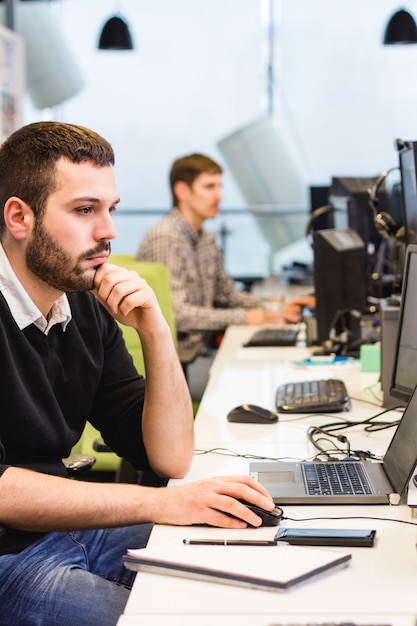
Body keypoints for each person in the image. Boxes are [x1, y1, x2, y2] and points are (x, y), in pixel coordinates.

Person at [0, 122, 275, 626]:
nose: (109, 231)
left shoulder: (82, 306)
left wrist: (155, 330)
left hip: (69, 531)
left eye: (111, 209)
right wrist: (160, 505)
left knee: (247, 555)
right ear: (19, 217)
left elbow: (169, 458)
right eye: (85, 210)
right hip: (9, 558)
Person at [137, 153, 314, 354]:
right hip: (180, 356)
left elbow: (226, 295)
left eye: (220, 187)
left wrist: (273, 306)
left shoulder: (206, 239)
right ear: (182, 191)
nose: (219, 195)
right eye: (209, 187)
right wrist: (248, 317)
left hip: (202, 351)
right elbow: (177, 314)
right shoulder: (167, 238)